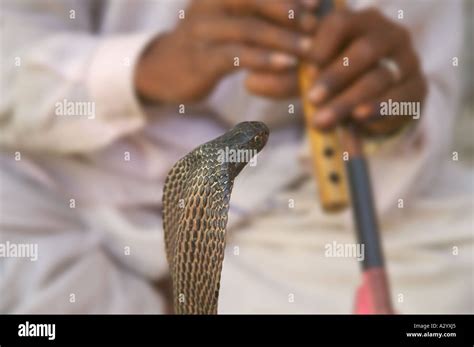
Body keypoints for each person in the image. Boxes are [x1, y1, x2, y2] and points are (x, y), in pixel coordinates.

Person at [0, 0, 471, 313]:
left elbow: (422, 111)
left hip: (278, 204)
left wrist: (386, 115)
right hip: (65, 184)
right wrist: (148, 67)